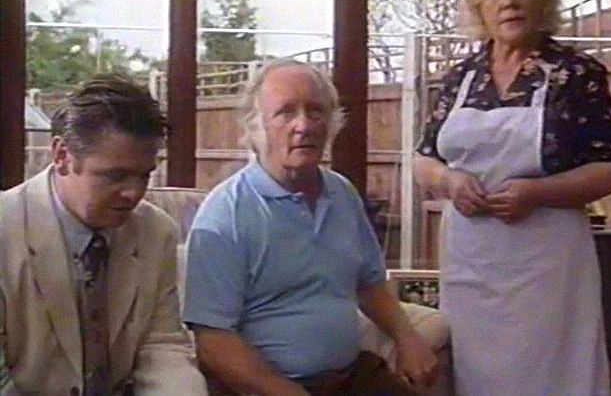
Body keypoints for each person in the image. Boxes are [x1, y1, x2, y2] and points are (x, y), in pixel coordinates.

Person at [414, 0, 611, 396]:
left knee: (554, 374)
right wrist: (449, 180)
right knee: (473, 375)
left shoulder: (574, 73)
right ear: (480, 8)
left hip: (547, 264)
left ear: (544, 0)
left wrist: (538, 193)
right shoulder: (460, 78)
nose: (509, 1)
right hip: (472, 262)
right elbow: (423, 158)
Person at [183, 58, 439, 395]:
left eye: (316, 112)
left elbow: (369, 283)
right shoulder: (225, 215)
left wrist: (408, 339)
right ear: (256, 127)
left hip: (349, 376)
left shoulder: (342, 193)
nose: (304, 126)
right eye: (286, 112)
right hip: (266, 387)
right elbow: (213, 341)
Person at [0, 74, 208, 395]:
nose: (134, 193)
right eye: (115, 176)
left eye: (144, 175)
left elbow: (163, 346)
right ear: (61, 155)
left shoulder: (156, 231)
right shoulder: (5, 229)